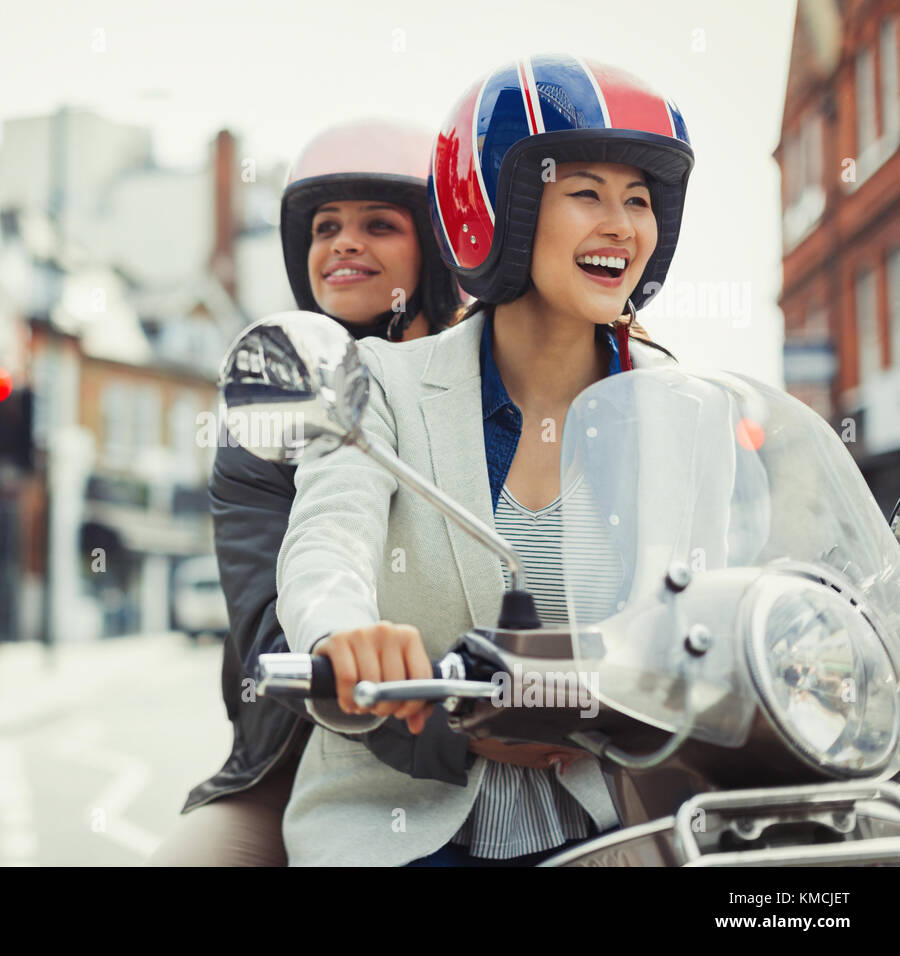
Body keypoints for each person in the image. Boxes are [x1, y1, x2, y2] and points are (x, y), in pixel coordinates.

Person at [274, 55, 694, 866]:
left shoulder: (677, 409)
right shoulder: (381, 382)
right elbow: (325, 541)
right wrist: (344, 633)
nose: (622, 225)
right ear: (499, 209)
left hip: (623, 827)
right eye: (587, 194)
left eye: (639, 200)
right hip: (405, 829)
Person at [147, 120, 464, 866]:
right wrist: (463, 736)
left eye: (378, 224)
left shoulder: (481, 388)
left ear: (440, 248)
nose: (344, 244)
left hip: (522, 756)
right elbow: (274, 642)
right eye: (326, 228)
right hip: (296, 759)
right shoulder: (270, 411)